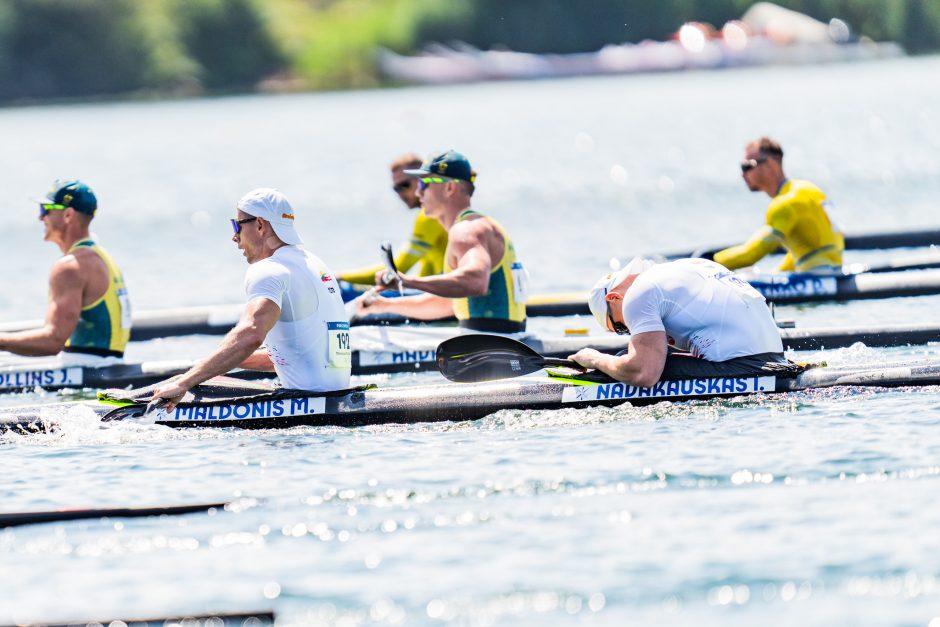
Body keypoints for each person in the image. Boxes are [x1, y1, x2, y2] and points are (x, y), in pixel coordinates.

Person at [150, 188, 351, 411]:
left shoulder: (269, 270)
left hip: (305, 404)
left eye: (237, 225)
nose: (234, 236)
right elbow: (300, 353)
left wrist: (183, 383)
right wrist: (213, 363)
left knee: (191, 388)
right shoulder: (316, 265)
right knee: (206, 377)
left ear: (260, 225)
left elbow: (251, 334)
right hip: (333, 395)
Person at [356, 150, 527, 332]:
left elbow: (476, 281)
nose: (417, 191)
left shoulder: (466, 230)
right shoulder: (478, 226)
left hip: (490, 349)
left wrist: (407, 281)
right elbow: (447, 304)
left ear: (449, 188)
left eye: (424, 183)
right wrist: (384, 306)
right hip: (500, 341)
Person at [569, 257, 789, 387]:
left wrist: (596, 360)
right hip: (777, 357)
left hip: (743, 365)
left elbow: (645, 374)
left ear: (613, 298)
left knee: (628, 365)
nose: (628, 332)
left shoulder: (637, 295)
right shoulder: (686, 267)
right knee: (629, 360)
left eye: (619, 327)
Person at [0, 180, 131, 360]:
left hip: (89, 375)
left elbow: (53, 340)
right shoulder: (102, 256)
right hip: (110, 367)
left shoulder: (70, 267)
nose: (41, 217)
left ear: (68, 215)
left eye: (45, 209)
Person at [712, 137, 844, 273]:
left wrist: (710, 261)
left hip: (817, 275)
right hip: (834, 270)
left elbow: (751, 254)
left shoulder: (784, 203)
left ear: (770, 165)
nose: (742, 174)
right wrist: (776, 273)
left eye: (747, 166)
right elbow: (804, 248)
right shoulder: (808, 189)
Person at [338, 153, 449, 284]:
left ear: (422, 179)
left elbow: (397, 268)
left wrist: (341, 276)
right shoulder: (433, 213)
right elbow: (426, 272)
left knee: (344, 289)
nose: (400, 193)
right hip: (443, 291)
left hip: (450, 295)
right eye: (396, 188)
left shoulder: (429, 217)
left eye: (404, 185)